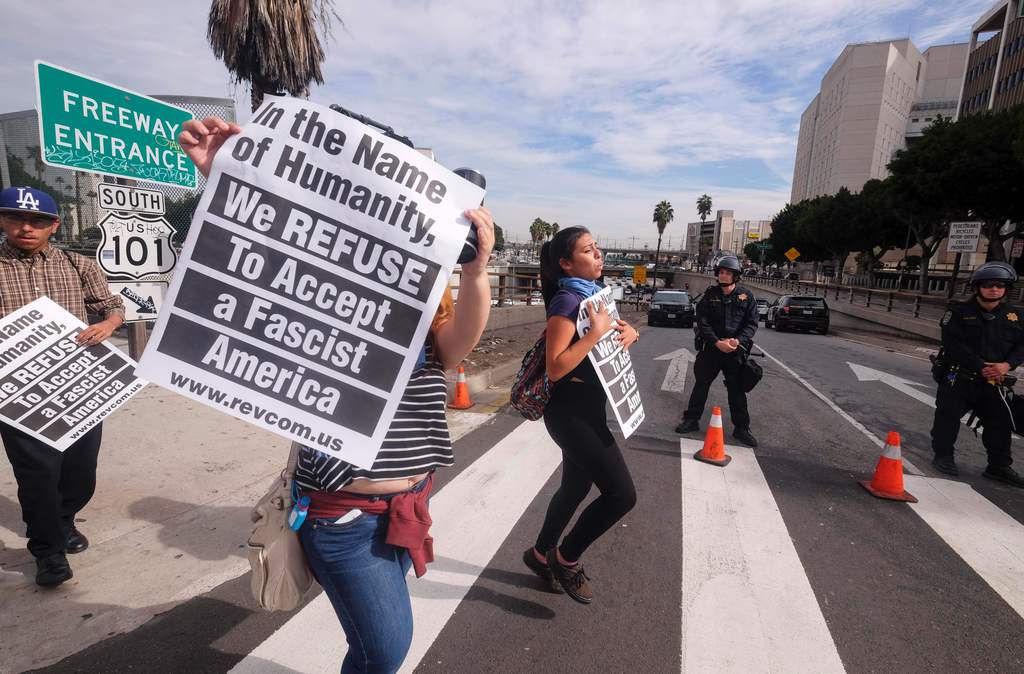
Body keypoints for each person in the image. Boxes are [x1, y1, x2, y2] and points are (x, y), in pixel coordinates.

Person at [179, 116, 495, 672]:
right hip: (342, 517)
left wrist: (474, 272)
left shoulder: (420, 318)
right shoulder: (310, 302)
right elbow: (253, 268)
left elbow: (458, 344)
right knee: (385, 650)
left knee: (373, 648)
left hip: (403, 507)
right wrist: (222, 179)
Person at [0, 186, 125, 587]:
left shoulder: (78, 264)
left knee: (79, 471)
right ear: (3, 221)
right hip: (18, 389)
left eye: (37, 220)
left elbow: (111, 307)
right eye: (17, 218)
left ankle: (65, 520)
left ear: (54, 225)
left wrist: (107, 325)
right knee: (37, 474)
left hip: (77, 384)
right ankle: (48, 551)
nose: (26, 227)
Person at [522, 226, 638, 604]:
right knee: (621, 495)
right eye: (589, 250)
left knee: (575, 487)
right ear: (567, 263)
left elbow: (603, 348)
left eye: (597, 247)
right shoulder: (567, 302)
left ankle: (540, 554)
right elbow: (556, 367)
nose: (599, 254)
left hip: (590, 408)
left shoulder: (596, 298)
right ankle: (566, 558)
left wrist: (627, 333)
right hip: (570, 414)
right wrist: (595, 334)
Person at [930, 262, 1024, 487]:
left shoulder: (1015, 316)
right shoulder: (958, 313)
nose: (994, 289)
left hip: (994, 379)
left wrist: (1006, 365)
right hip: (959, 376)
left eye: (1000, 285)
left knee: (999, 422)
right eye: (989, 285)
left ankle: (998, 466)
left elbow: (1021, 346)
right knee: (947, 417)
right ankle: (943, 456)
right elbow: (953, 345)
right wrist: (980, 365)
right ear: (977, 287)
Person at [674, 255, 759, 447]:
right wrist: (715, 342)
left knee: (736, 391)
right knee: (701, 385)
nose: (723, 275)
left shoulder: (747, 296)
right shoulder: (710, 295)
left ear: (736, 276)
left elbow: (752, 324)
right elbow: (702, 321)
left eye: (728, 272)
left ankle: (742, 428)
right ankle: (691, 420)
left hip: (734, 351)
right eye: (721, 272)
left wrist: (737, 341)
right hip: (711, 350)